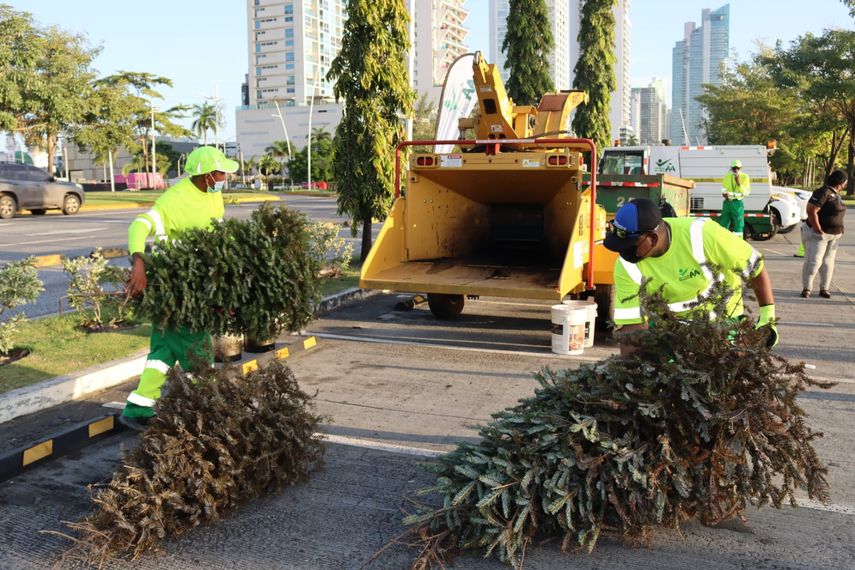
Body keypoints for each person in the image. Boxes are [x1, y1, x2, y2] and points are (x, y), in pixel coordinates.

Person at [119, 146, 239, 431]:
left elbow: (214, 238)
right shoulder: (174, 201)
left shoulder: (213, 196)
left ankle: (138, 408)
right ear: (207, 175)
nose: (225, 177)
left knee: (162, 352)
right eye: (221, 172)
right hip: (175, 292)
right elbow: (139, 225)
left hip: (196, 286)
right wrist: (139, 262)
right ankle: (203, 409)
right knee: (198, 351)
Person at [604, 198, 777, 356]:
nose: (623, 252)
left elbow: (756, 267)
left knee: (719, 370)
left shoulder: (704, 236)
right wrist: (631, 372)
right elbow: (632, 328)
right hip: (671, 329)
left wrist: (767, 318)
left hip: (722, 321)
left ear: (653, 238)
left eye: (629, 245)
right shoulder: (626, 265)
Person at [800, 169, 847, 299]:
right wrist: (817, 228)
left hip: (834, 235)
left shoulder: (836, 194)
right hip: (818, 234)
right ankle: (807, 288)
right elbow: (811, 210)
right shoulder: (823, 192)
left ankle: (824, 288)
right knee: (814, 262)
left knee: (828, 262)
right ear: (841, 182)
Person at [718, 159, 751, 237]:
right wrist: (724, 194)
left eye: (737, 168)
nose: (736, 170)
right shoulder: (727, 176)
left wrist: (738, 183)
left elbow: (746, 193)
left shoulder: (744, 177)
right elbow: (724, 189)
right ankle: (723, 241)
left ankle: (738, 243)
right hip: (727, 202)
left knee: (739, 224)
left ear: (741, 168)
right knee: (723, 223)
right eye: (734, 168)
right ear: (731, 168)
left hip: (737, 203)